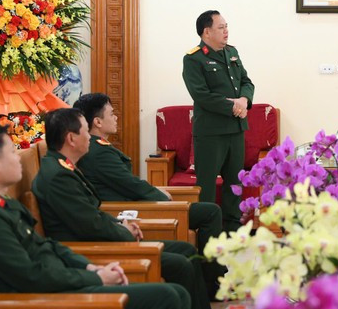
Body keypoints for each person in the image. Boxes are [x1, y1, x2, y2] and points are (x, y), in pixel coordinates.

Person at [0, 124, 190, 309]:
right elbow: (30, 275)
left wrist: (92, 268)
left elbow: (47, 246)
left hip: (62, 282)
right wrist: (96, 279)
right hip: (47, 298)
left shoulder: (0, 203)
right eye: (12, 152)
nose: (18, 158)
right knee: (167, 296)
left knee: (177, 292)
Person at [32, 108, 211, 309]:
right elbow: (90, 226)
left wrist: (121, 223)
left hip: (101, 238)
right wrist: (123, 232)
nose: (89, 137)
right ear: (71, 139)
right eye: (85, 132)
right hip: (93, 248)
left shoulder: (63, 167)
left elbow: (92, 213)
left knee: (186, 250)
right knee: (180, 266)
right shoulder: (58, 176)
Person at [74, 92, 224, 294]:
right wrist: (162, 197)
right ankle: (212, 282)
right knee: (210, 212)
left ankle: (211, 278)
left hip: (134, 203)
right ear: (98, 122)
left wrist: (157, 191)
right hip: (130, 209)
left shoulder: (98, 148)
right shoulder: (98, 153)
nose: (116, 117)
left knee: (209, 211)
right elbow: (131, 185)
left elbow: (127, 183)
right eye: (112, 113)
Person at [182, 10, 255, 232]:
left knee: (235, 183)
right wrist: (233, 106)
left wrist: (243, 99)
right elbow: (201, 95)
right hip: (211, 133)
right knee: (206, 187)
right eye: (221, 27)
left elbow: (246, 81)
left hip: (235, 130)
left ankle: (233, 230)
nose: (226, 31)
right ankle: (206, 235)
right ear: (207, 32)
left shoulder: (231, 52)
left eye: (226, 26)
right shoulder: (193, 58)